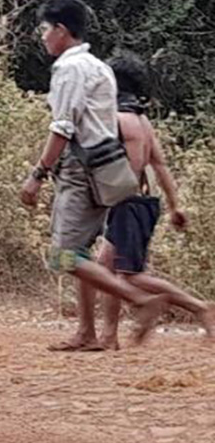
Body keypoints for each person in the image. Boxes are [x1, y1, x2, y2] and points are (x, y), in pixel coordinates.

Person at [19, 0, 167, 348]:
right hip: (105, 168)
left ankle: (140, 300)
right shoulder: (99, 67)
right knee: (81, 251)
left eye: (45, 29)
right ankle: (86, 331)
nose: (43, 36)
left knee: (65, 255)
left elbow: (63, 127)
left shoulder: (70, 69)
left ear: (61, 30)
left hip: (79, 168)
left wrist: (38, 174)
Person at [70, 53, 213, 350]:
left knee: (129, 276)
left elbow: (119, 167)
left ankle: (199, 307)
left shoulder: (118, 120)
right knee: (106, 269)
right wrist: (174, 205)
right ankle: (109, 336)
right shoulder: (142, 120)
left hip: (129, 203)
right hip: (141, 202)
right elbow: (159, 164)